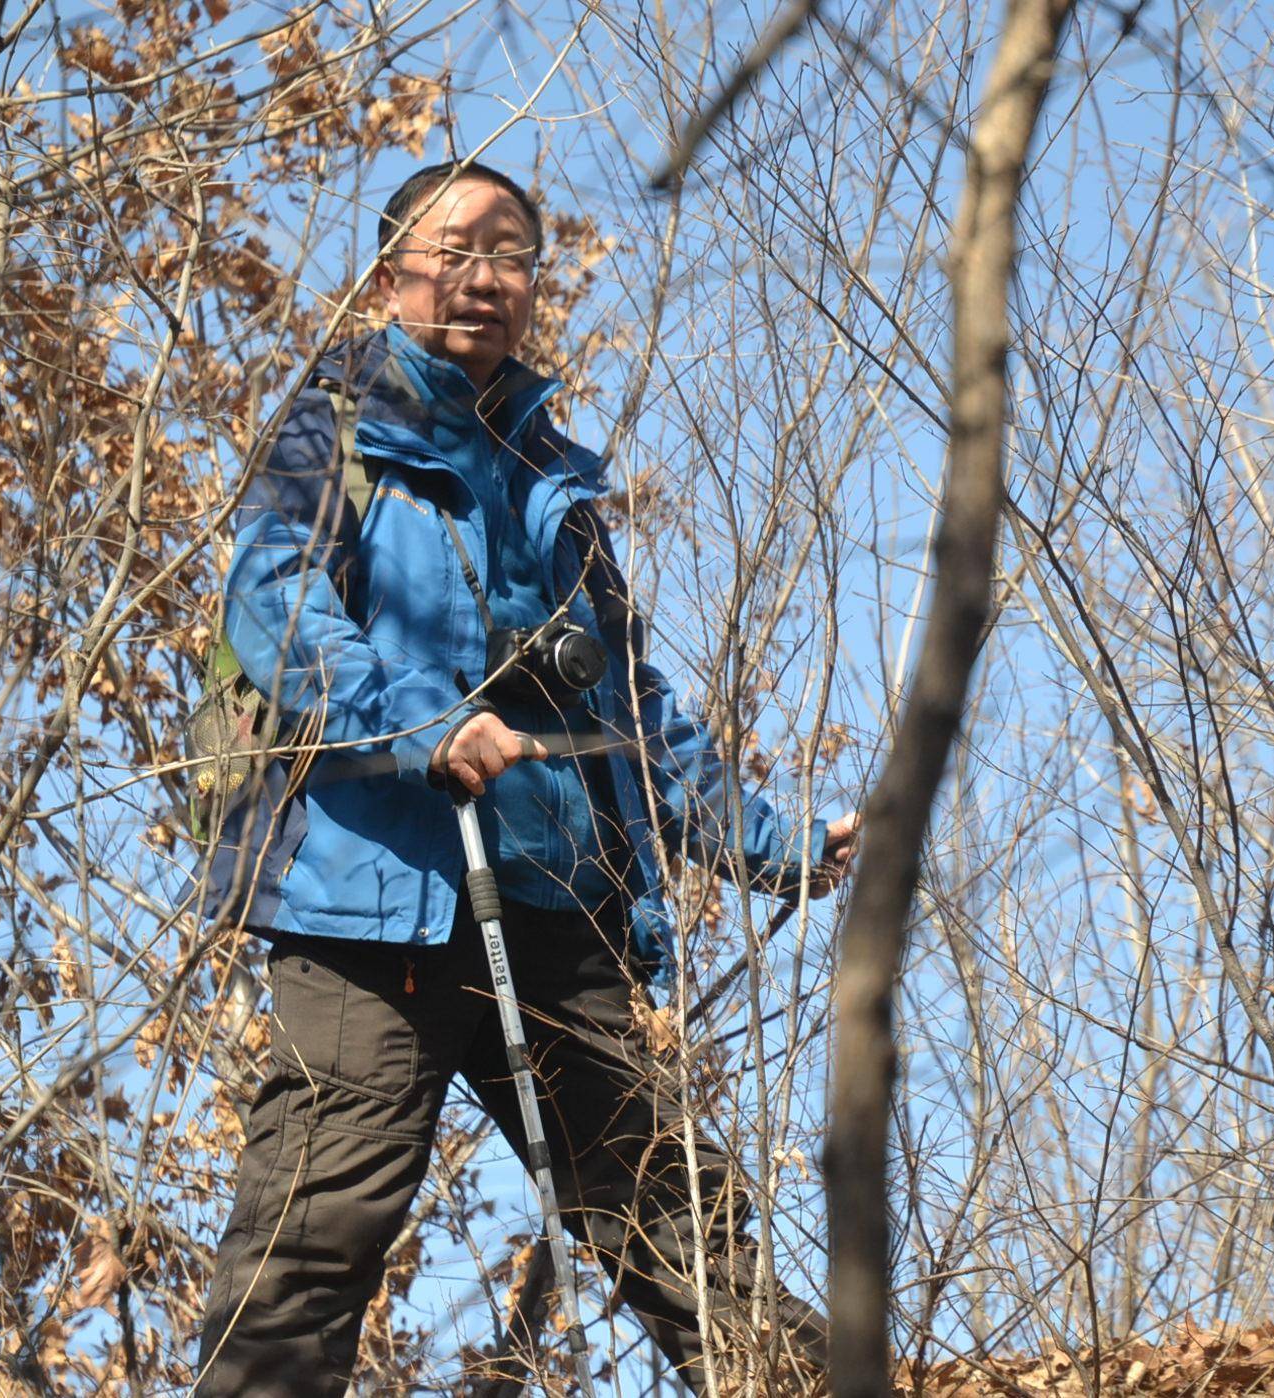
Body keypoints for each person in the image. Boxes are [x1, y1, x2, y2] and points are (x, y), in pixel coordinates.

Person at [194, 160, 858, 1395]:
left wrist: (777, 844)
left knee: (678, 1228)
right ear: (393, 268)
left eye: (510, 254)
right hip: (369, 906)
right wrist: (428, 724)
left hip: (556, 903)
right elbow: (272, 607)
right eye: (454, 249)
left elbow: (628, 712)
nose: (484, 277)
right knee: (313, 1239)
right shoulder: (328, 429)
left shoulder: (557, 479)